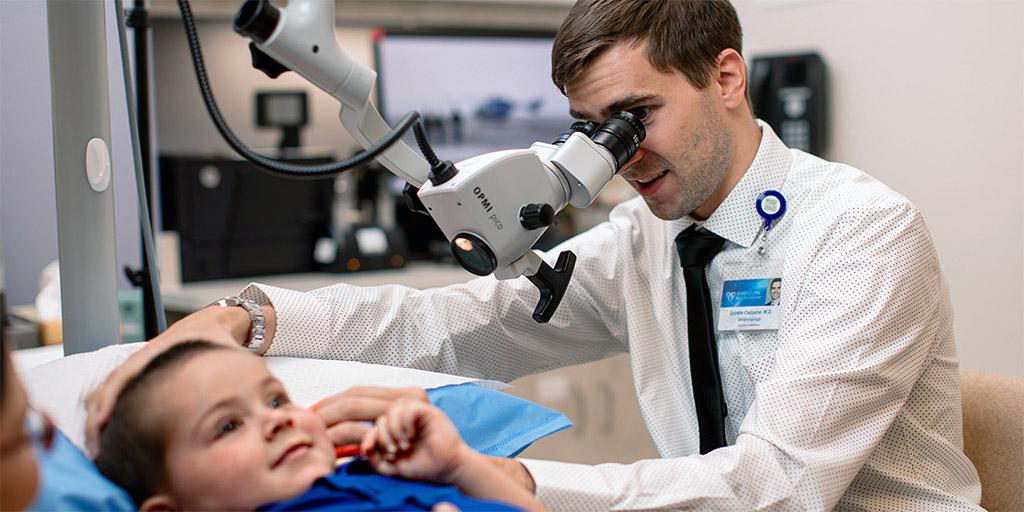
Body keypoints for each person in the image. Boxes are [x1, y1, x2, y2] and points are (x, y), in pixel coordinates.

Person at [88, 0, 982, 509]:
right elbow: (463, 322)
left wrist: (503, 478)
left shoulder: (861, 235)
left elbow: (775, 490)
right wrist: (252, 318)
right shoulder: (649, 237)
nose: (619, 154)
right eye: (594, 131)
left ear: (726, 77)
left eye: (636, 116)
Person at [94, 340, 544, 511]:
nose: (276, 420)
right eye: (228, 426)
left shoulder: (375, 473)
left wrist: (458, 464)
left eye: (275, 399)